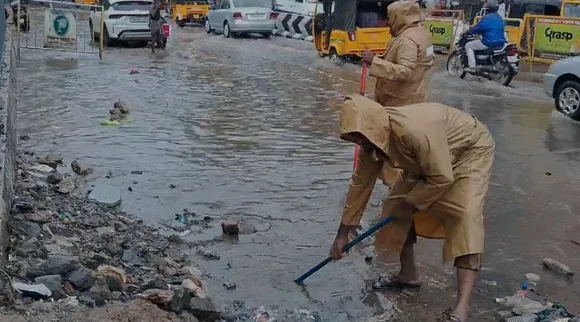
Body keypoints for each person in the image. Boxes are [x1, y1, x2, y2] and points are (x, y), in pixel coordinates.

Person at [330, 95, 495, 322]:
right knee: (393, 207)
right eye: (354, 139)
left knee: (465, 216)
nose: (360, 143)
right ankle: (408, 274)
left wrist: (410, 204)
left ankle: (461, 309)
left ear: (373, 128)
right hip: (429, 160)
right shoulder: (371, 142)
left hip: (468, 149)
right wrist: (342, 233)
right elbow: (360, 184)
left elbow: (441, 177)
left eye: (360, 138)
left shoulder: (413, 132)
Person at [360, 0, 434, 186]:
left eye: (391, 17)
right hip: (415, 100)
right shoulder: (421, 33)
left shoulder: (407, 40)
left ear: (400, 16)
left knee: (394, 153)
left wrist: (374, 62)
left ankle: (395, 198)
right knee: (404, 152)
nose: (388, 21)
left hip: (400, 105)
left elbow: (405, 70)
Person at [465, 0, 506, 72]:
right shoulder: (499, 18)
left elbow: (479, 27)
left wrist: (470, 31)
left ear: (488, 8)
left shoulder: (487, 17)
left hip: (489, 42)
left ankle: (472, 67)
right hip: (501, 42)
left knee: (468, 45)